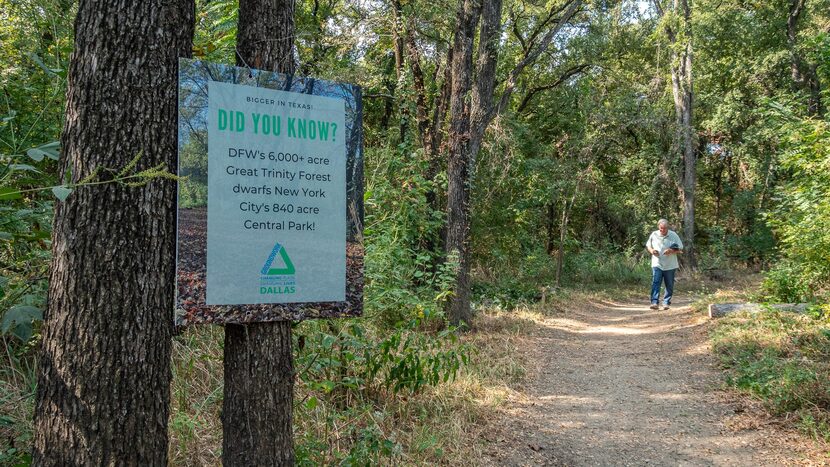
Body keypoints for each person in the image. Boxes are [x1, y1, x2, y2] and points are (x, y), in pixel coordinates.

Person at [645, 219, 683, 310]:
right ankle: (654, 302)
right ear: (658, 227)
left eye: (665, 228)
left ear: (668, 227)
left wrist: (671, 250)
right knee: (655, 282)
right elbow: (648, 246)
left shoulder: (673, 235)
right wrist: (652, 251)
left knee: (669, 284)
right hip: (657, 263)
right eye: (661, 228)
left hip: (670, 264)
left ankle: (666, 303)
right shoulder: (654, 234)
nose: (663, 230)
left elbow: (681, 248)